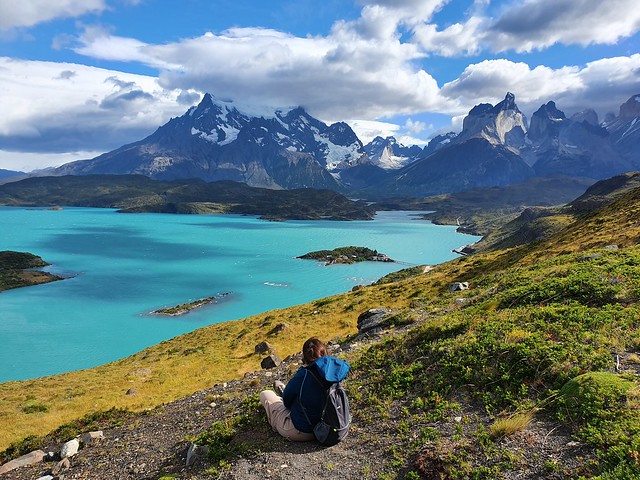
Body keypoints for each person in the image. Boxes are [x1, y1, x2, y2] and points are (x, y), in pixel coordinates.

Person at [259, 337, 350, 441]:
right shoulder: (337, 371)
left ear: (305, 358)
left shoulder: (304, 375)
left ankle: (281, 394)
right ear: (325, 352)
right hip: (337, 425)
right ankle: (285, 390)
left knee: (266, 394)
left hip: (304, 431)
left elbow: (287, 403)